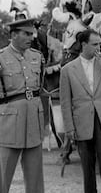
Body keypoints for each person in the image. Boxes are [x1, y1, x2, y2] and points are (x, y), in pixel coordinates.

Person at [60, 29, 101, 193]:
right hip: (82, 123)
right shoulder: (67, 70)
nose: (99, 47)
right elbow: (65, 102)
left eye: (100, 44)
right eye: (95, 44)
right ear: (83, 45)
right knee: (87, 168)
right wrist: (69, 128)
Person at [0, 18, 45, 193]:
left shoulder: (37, 57)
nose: (31, 38)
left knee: (35, 179)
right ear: (13, 35)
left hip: (34, 120)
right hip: (9, 123)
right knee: (3, 175)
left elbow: (39, 88)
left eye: (31, 34)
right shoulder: (1, 58)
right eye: (26, 34)